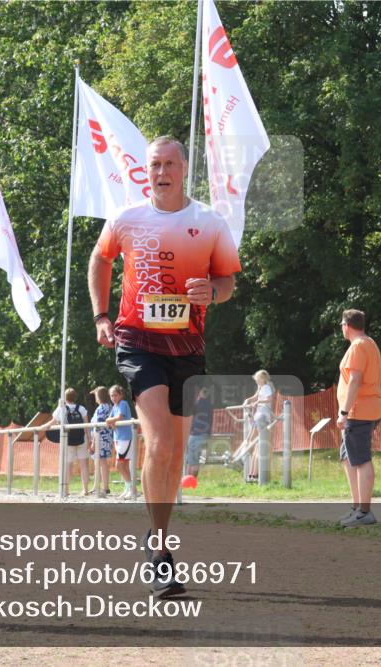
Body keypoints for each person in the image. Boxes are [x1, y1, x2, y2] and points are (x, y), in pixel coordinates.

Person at [88, 136, 240, 598]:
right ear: (146, 171)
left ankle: (157, 535)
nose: (162, 171)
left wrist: (212, 293)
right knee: (156, 440)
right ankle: (159, 551)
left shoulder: (209, 222)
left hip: (188, 347)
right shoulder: (126, 219)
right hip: (139, 343)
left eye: (170, 163)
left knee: (174, 449)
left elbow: (228, 281)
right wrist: (100, 315)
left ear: (183, 169)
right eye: (155, 164)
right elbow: (99, 258)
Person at [335, 309, 381, 527]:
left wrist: (344, 411)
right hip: (366, 408)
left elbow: (355, 380)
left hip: (359, 411)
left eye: (341, 325)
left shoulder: (358, 346)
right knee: (348, 456)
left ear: (347, 325)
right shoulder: (369, 342)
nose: (341, 328)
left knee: (361, 458)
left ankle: (365, 511)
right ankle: (357, 508)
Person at [40, 388, 91, 496]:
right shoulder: (81, 408)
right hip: (81, 440)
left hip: (68, 440)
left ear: (64, 397)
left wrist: (40, 428)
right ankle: (85, 489)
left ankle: (66, 489)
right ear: (75, 397)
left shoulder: (61, 409)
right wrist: (90, 439)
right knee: (84, 465)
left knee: (68, 466)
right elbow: (87, 426)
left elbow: (51, 422)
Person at [242, 370, 275, 481]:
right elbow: (255, 397)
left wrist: (258, 402)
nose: (256, 381)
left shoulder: (266, 387)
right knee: (253, 443)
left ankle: (253, 472)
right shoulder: (260, 387)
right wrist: (248, 400)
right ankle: (252, 471)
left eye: (257, 379)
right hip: (258, 415)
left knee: (255, 443)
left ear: (263, 379)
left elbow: (269, 399)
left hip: (263, 416)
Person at [105, 385, 136, 498]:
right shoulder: (114, 406)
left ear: (121, 395)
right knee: (125, 464)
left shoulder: (123, 404)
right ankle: (128, 488)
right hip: (118, 438)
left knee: (119, 464)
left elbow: (119, 417)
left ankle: (131, 487)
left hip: (125, 438)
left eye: (115, 395)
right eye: (111, 395)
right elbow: (110, 420)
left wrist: (110, 420)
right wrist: (110, 421)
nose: (113, 397)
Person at [90, 386, 115, 497]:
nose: (95, 397)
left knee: (101, 462)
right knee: (100, 462)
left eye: (95, 395)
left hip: (101, 438)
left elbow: (98, 427)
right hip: (106, 438)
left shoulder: (102, 408)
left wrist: (94, 443)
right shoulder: (109, 406)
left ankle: (105, 487)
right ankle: (98, 486)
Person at [185, 387, 213, 478]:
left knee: (192, 460)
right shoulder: (210, 405)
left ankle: (189, 480)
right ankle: (189, 479)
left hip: (195, 434)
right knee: (195, 459)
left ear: (199, 393)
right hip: (205, 435)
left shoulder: (196, 404)